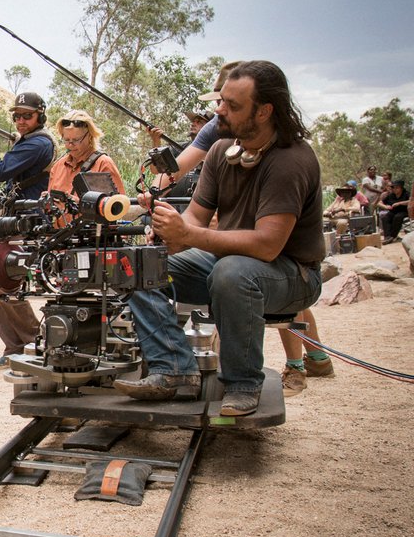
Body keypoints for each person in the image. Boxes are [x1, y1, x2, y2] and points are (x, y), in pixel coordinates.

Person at [115, 61, 324, 417]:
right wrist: (169, 232)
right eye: (221, 101)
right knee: (138, 265)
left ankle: (243, 384)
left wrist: (189, 234)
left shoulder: (291, 160)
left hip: (293, 275)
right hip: (228, 262)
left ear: (264, 111)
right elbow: (195, 218)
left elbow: (267, 246)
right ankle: (173, 369)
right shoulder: (221, 150)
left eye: (232, 105)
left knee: (232, 274)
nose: (219, 111)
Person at [0, 91, 55, 370]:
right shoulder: (28, 141)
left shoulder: (37, 144)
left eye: (27, 116)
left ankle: (34, 341)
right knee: (2, 283)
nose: (21, 121)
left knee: (9, 284)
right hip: (16, 221)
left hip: (28, 223)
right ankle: (14, 347)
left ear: (40, 116)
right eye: (17, 116)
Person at [48, 109, 126, 202]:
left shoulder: (103, 163)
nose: (70, 145)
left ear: (89, 136)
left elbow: (118, 205)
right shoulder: (58, 166)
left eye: (76, 140)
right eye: (66, 140)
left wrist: (78, 204)